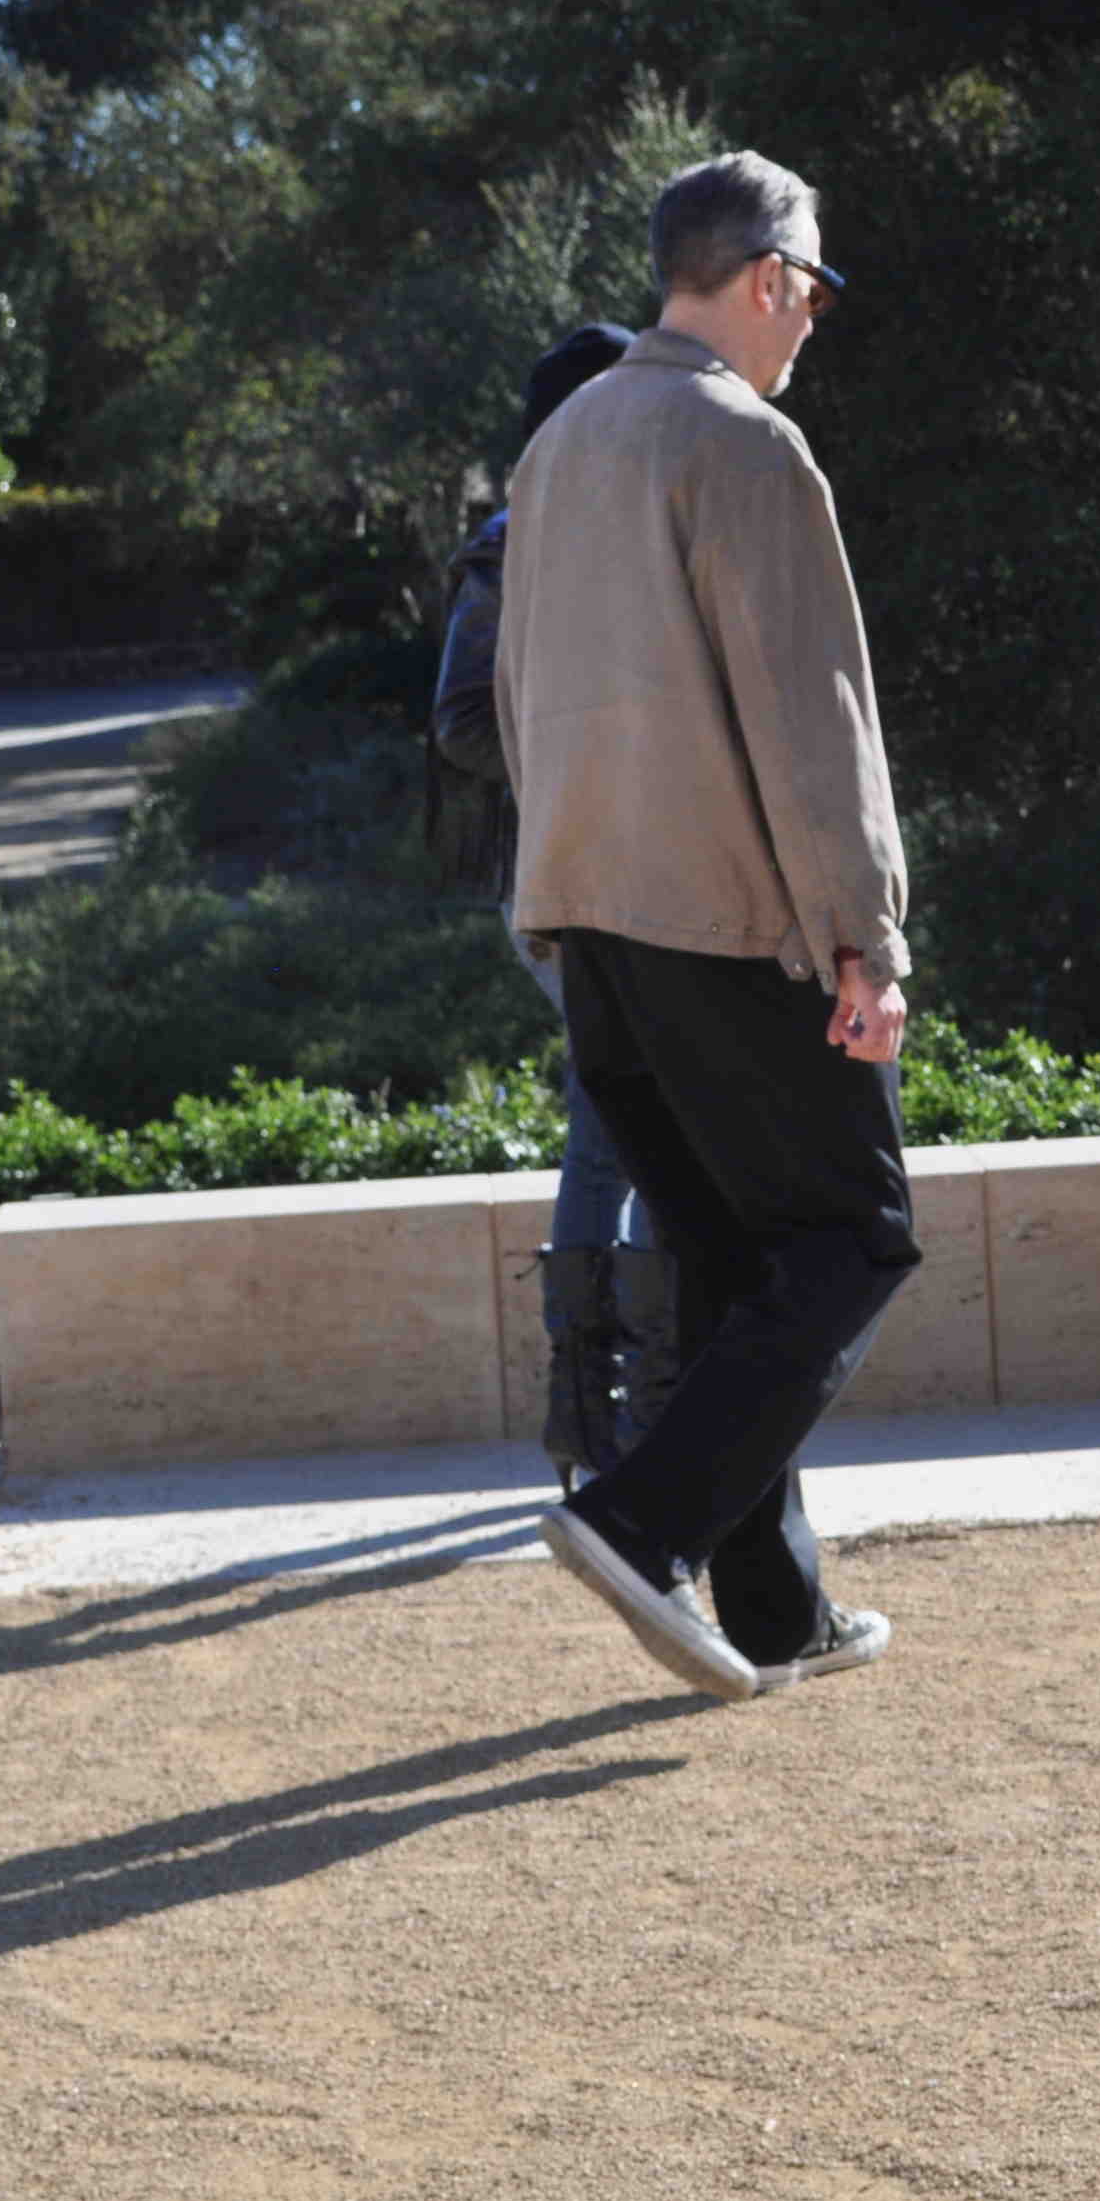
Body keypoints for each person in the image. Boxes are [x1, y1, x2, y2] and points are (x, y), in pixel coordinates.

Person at [498, 150, 916, 1705]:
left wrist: (550, 917)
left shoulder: (562, 444)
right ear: (769, 277)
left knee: (741, 1264)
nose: (812, 319)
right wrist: (865, 938)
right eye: (813, 289)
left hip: (589, 922)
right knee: (857, 1235)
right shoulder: (745, 443)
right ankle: (640, 1523)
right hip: (727, 922)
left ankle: (775, 1608)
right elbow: (812, 720)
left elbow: (515, 698)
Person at [427, 318, 661, 1490]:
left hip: (637, 871)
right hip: (567, 875)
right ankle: (631, 1403)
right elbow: (463, 725)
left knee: (621, 1120)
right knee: (644, 1121)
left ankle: (604, 1410)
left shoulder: (625, 529)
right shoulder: (516, 544)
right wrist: (599, 745)